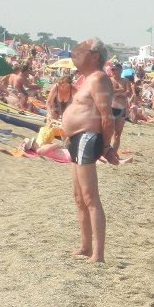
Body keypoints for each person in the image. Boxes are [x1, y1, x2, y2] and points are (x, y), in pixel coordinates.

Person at [62, 37, 119, 263]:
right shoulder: (84, 79)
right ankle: (85, 245)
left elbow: (107, 117)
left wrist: (106, 146)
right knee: (78, 197)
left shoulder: (99, 78)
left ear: (95, 56)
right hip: (76, 139)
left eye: (82, 50)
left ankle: (99, 253)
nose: (77, 53)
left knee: (90, 196)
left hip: (88, 137)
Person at [109, 63, 131, 152]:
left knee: (117, 134)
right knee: (108, 132)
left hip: (121, 109)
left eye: (115, 69)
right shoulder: (109, 80)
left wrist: (118, 93)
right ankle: (106, 152)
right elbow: (108, 91)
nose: (113, 71)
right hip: (110, 108)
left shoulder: (125, 80)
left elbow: (129, 92)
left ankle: (114, 153)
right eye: (112, 69)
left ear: (120, 70)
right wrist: (121, 91)